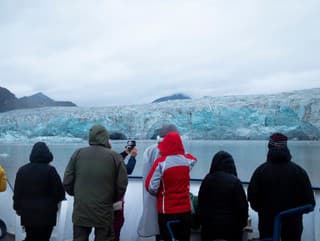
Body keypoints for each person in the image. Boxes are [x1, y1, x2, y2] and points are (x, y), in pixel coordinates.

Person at [63, 124, 128, 241]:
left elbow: (67, 181)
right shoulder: (115, 157)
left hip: (81, 209)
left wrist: (77, 194)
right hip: (104, 210)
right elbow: (122, 184)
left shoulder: (78, 154)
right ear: (105, 137)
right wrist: (111, 199)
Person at [247, 132, 316, 241]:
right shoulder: (299, 172)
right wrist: (293, 214)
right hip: (293, 228)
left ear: (270, 147)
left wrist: (265, 211)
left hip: (267, 226)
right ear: (286, 148)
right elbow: (310, 202)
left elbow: (252, 199)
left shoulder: (260, 171)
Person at [145, 131, 197, 241]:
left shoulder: (161, 163)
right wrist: (179, 151)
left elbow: (151, 186)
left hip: (166, 211)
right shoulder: (187, 161)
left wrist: (160, 193)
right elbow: (193, 158)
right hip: (185, 211)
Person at [13, 142, 65, 241]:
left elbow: (17, 193)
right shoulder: (51, 171)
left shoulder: (22, 170)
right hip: (47, 215)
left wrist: (17, 208)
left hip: (28, 214)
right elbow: (60, 192)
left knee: (31, 237)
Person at [137, 124, 178, 241]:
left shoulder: (150, 149)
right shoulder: (164, 149)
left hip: (153, 195)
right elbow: (160, 174)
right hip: (165, 199)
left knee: (159, 229)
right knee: (166, 230)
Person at [198, 151, 248, 241]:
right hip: (231, 231)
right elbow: (242, 208)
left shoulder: (207, 180)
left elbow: (201, 205)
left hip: (209, 230)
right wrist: (241, 225)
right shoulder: (235, 182)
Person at [113, 140, 138, 241]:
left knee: (103, 228)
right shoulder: (111, 160)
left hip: (101, 199)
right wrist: (132, 157)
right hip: (115, 200)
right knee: (116, 224)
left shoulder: (104, 159)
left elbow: (116, 160)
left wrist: (125, 153)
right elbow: (127, 170)